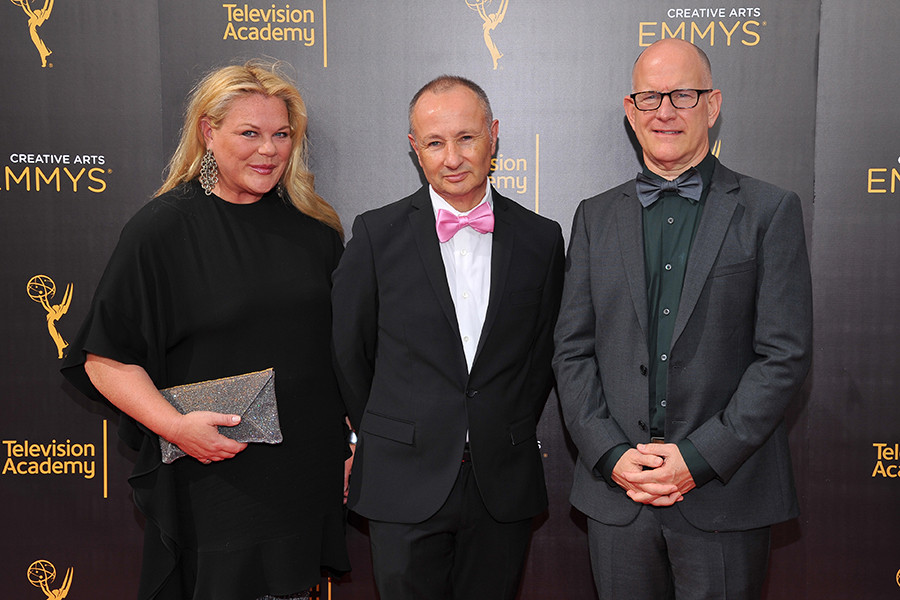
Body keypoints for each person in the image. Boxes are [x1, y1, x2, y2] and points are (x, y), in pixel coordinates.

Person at [61, 60, 350, 600]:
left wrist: (349, 442)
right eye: (250, 133)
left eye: (282, 134)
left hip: (303, 479)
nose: (269, 150)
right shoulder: (161, 230)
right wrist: (174, 427)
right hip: (215, 479)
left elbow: (341, 353)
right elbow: (104, 359)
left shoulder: (316, 232)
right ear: (207, 133)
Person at [553, 38, 813, 599]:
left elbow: (784, 357)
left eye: (683, 95)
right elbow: (572, 351)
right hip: (617, 497)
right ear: (630, 110)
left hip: (726, 495)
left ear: (713, 105)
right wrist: (611, 456)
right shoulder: (594, 217)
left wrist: (697, 459)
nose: (664, 111)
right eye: (650, 97)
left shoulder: (770, 211)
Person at [331, 75, 564, 600]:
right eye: (435, 142)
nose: (452, 157)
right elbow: (349, 350)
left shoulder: (541, 238)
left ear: (494, 136)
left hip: (500, 481)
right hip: (401, 480)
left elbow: (544, 354)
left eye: (466, 137)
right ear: (415, 149)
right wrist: (386, 429)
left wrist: (501, 420)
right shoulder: (374, 235)